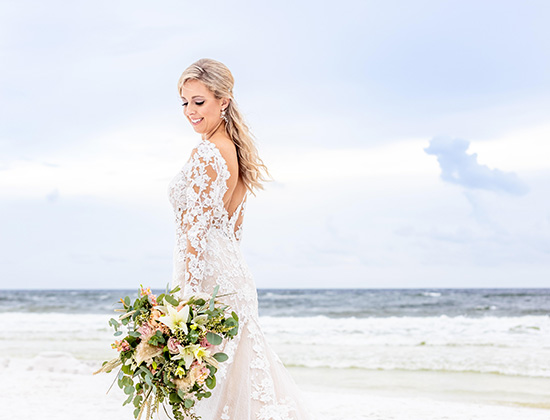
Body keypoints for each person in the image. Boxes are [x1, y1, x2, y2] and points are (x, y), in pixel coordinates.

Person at [165, 58, 315, 419]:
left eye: (199, 102)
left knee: (209, 390)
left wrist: (183, 303)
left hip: (210, 281)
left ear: (224, 101)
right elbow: (232, 232)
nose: (190, 111)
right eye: (185, 102)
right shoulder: (235, 151)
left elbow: (195, 237)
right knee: (237, 385)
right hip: (233, 279)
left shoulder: (207, 153)